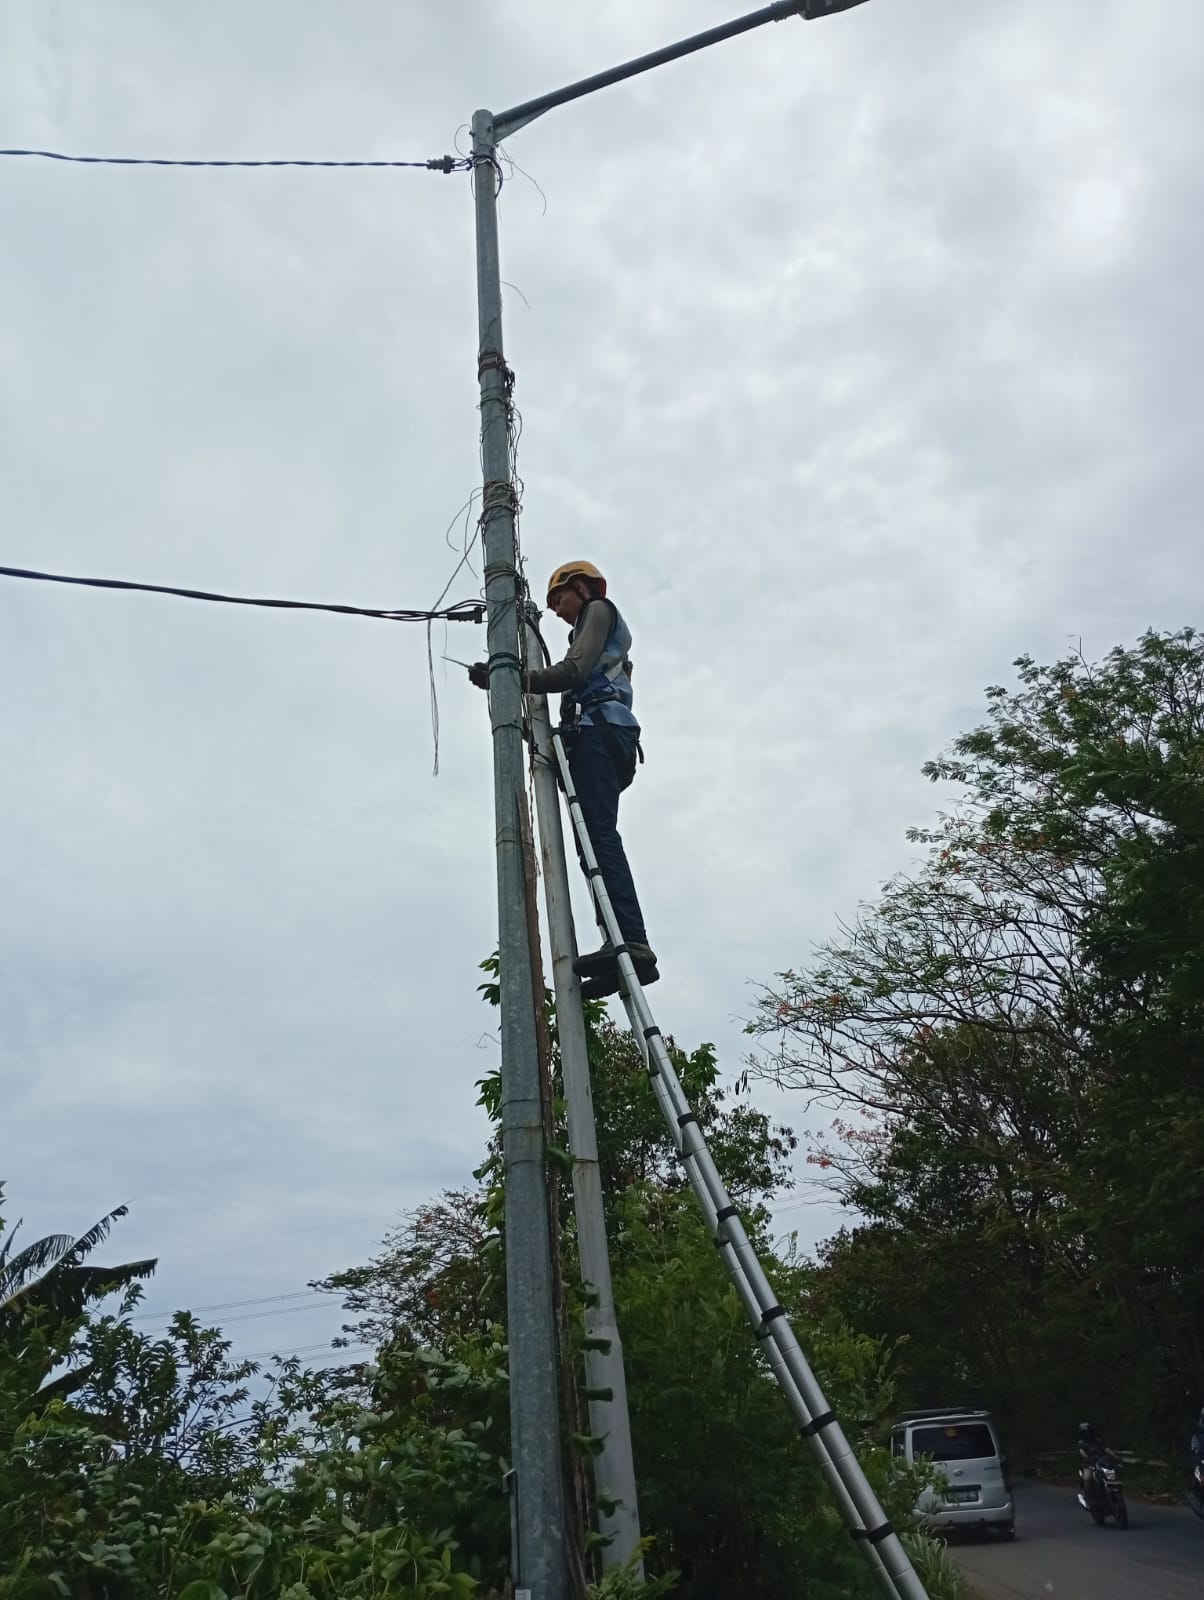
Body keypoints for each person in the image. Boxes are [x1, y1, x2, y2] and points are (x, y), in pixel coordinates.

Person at [469, 560, 656, 998]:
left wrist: (512, 678)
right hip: (596, 736)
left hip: (601, 730)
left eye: (559, 599)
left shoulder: (599, 612)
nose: (556, 611)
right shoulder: (586, 628)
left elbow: (571, 672)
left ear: (582, 588)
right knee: (591, 841)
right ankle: (620, 944)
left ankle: (632, 941)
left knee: (599, 838)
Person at [1077, 1421, 1108, 1506]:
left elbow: (1105, 1449)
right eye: (1084, 1432)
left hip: (1101, 1462)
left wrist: (1115, 1457)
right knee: (1087, 1478)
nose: (1087, 1434)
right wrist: (1088, 1458)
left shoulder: (1098, 1440)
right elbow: (1082, 1453)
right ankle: (1090, 1498)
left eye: (1088, 1432)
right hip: (1088, 1464)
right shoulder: (1081, 1443)